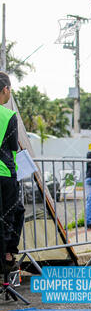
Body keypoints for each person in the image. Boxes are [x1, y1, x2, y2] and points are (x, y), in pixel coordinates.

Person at [0, 72, 24, 272]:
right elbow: (13, 148)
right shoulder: (8, 115)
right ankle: (7, 257)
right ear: (5, 89)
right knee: (13, 214)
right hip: (5, 175)